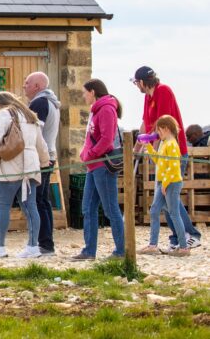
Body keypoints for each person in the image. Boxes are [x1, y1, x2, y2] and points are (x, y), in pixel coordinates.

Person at [132, 66, 201, 250]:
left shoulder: (163, 91)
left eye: (136, 82)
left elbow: (161, 126)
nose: (136, 86)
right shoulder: (148, 98)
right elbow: (145, 124)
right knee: (165, 202)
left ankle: (190, 235)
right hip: (161, 154)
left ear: (142, 82)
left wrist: (151, 147)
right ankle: (177, 237)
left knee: (171, 198)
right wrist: (136, 147)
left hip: (173, 153)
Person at [0, 91, 49, 259]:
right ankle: (33, 246)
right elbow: (40, 143)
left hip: (9, 165)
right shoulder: (29, 114)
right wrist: (44, 162)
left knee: (4, 206)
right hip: (30, 165)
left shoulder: (5, 113)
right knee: (30, 207)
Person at [72, 79, 125, 261]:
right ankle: (89, 251)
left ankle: (121, 251)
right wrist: (85, 152)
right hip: (93, 166)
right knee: (87, 208)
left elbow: (106, 139)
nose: (83, 95)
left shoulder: (106, 109)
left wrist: (91, 154)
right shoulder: (97, 110)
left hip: (102, 165)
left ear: (93, 91)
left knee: (110, 209)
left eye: (85, 92)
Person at [139, 115, 189, 256]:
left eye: (159, 130)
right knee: (154, 211)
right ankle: (153, 245)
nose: (157, 134)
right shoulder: (164, 143)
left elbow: (174, 167)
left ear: (166, 129)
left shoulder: (172, 144)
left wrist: (165, 184)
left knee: (174, 213)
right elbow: (159, 161)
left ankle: (184, 247)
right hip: (164, 182)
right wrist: (148, 146)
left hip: (171, 183)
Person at [24, 71, 60, 256]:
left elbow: (34, 133)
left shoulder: (39, 102)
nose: (24, 86)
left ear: (37, 86)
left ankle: (43, 243)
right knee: (43, 201)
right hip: (49, 156)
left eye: (27, 83)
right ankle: (46, 243)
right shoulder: (51, 102)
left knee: (37, 201)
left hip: (41, 158)